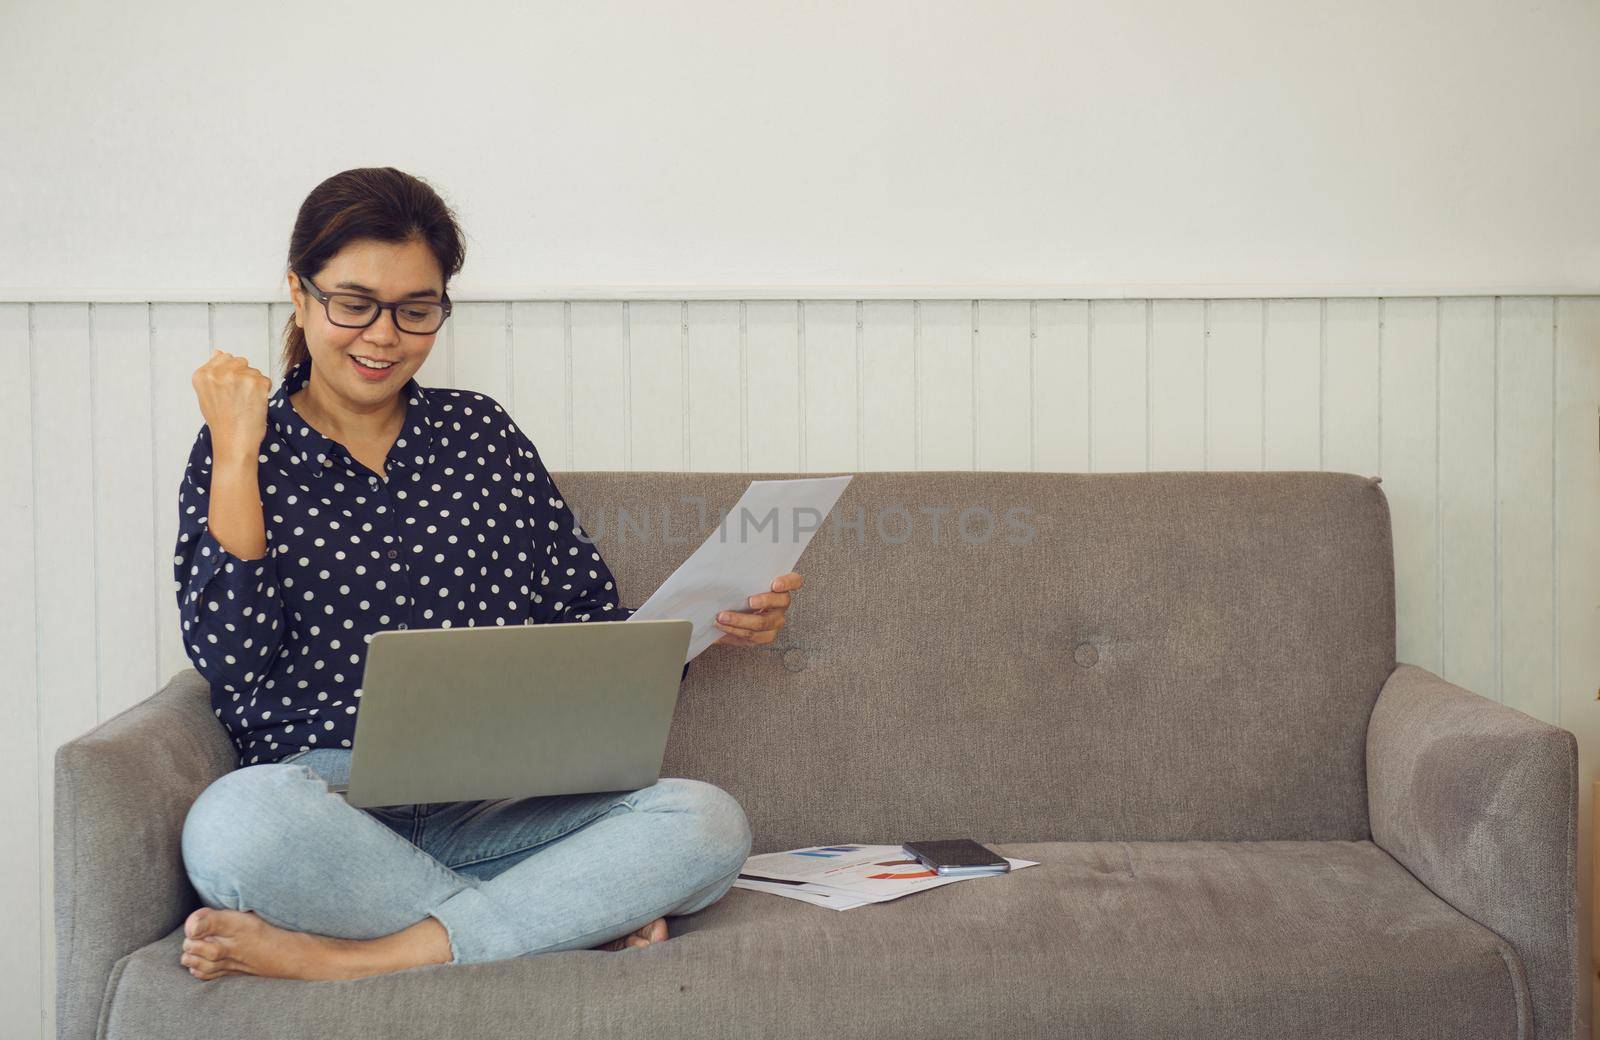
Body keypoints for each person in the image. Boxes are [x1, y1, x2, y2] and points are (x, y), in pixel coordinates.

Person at [174, 167, 803, 982]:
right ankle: (565, 917)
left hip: (499, 806)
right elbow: (231, 659)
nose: (383, 336)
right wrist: (236, 449)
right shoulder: (244, 451)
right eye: (353, 303)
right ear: (299, 295)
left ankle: (363, 960)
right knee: (232, 826)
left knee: (706, 824)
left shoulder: (482, 434)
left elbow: (578, 621)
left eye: (416, 309)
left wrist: (706, 619)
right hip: (325, 805)